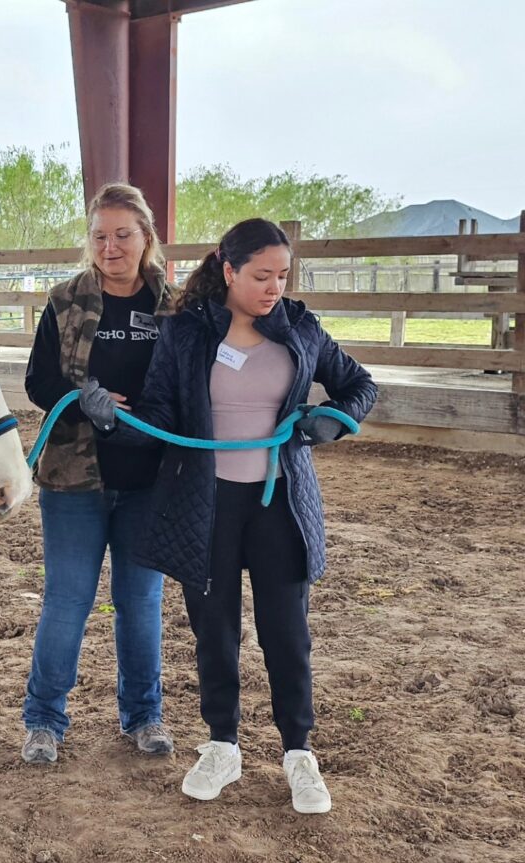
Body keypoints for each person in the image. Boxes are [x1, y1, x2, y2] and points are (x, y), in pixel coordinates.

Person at [79, 218, 377, 812]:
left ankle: (299, 753)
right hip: (206, 505)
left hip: (279, 504)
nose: (273, 288)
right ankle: (222, 745)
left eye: (282, 276)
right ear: (229, 270)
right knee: (215, 632)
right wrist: (107, 417)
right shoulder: (186, 333)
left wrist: (334, 421)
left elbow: (359, 386)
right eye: (261, 276)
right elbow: (160, 417)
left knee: (286, 633)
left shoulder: (301, 328)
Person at [20, 182, 177, 765]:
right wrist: (82, 396)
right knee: (67, 601)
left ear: (146, 239)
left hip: (148, 480)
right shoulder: (64, 301)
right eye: (100, 236)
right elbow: (38, 381)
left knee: (140, 602)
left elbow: (192, 385)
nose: (110, 247)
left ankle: (143, 716)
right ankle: (43, 720)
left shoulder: (174, 308)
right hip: (73, 481)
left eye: (123, 235)